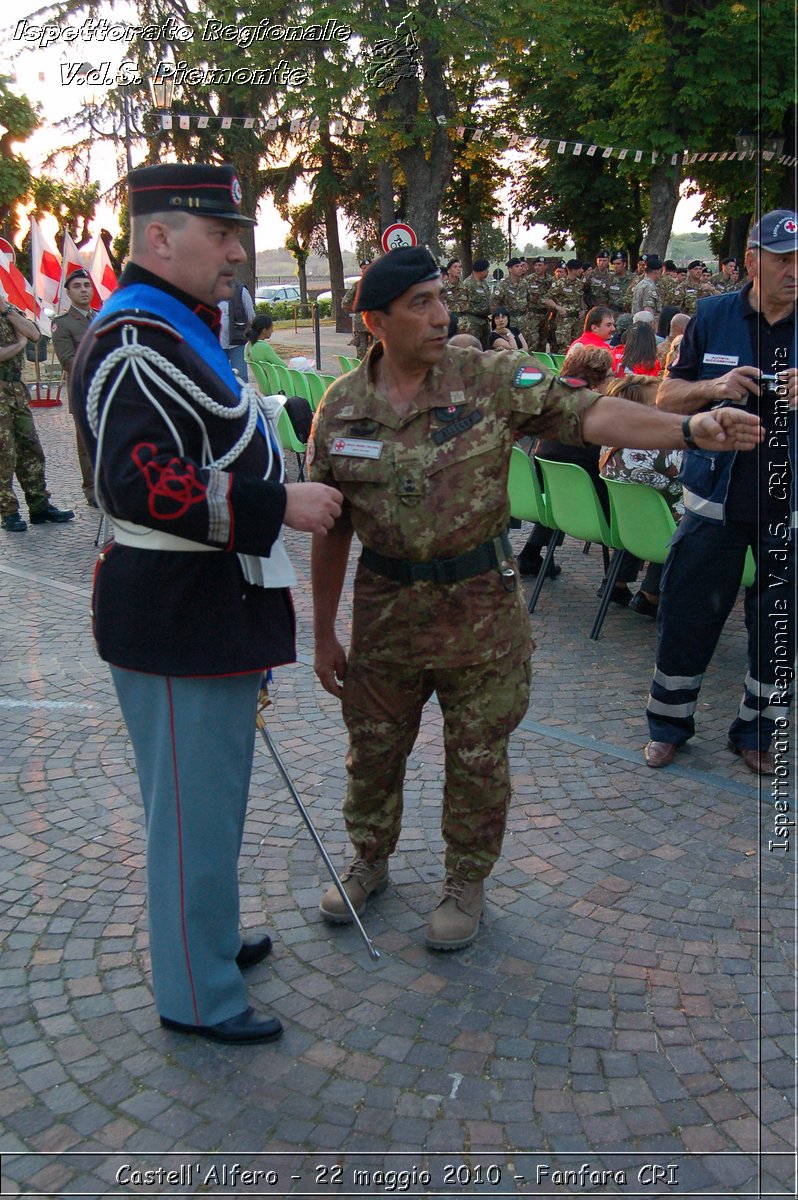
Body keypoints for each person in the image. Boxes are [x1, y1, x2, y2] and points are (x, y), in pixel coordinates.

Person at [306, 246, 761, 951]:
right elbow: (330, 523)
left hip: (479, 609)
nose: (439, 313)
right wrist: (325, 631)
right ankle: (370, 859)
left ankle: (466, 882)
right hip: (386, 609)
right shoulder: (341, 408)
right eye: (419, 303)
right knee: (372, 749)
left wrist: (689, 428)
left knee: (478, 755)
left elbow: (592, 417)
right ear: (374, 321)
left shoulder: (488, 378)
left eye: (438, 296)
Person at [70, 163, 342, 1044]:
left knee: (211, 799)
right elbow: (142, 485)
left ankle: (210, 944)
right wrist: (280, 505)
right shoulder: (136, 341)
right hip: (176, 612)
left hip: (202, 607)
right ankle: (197, 995)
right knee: (190, 812)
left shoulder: (177, 327)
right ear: (158, 237)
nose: (237, 250)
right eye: (220, 233)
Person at [644, 209, 797, 776]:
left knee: (780, 630)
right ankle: (668, 725)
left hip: (788, 511)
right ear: (753, 262)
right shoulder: (711, 315)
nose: (794, 270)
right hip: (715, 503)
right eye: (783, 259)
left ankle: (756, 733)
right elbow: (665, 397)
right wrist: (715, 386)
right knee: (687, 616)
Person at [600, 374, 682, 616]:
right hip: (665, 530)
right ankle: (651, 594)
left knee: (652, 508)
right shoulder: (661, 450)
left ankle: (617, 581)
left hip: (629, 528)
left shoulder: (609, 441)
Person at [0, 290, 74, 532]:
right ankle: (8, 512)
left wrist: (7, 311)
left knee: (31, 448)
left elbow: (33, 334)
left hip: (17, 390)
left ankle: (39, 506)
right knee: (4, 454)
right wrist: (19, 343)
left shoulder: (10, 311)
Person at [51, 268, 97, 506]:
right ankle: (92, 490)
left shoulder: (101, 317)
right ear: (68, 292)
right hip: (84, 391)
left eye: (86, 285)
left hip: (109, 391)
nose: (83, 290)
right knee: (87, 443)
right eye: (77, 286)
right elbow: (68, 361)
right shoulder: (63, 323)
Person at [218, 277, 255, 379]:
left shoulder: (241, 291)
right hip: (216, 343)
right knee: (219, 378)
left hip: (237, 343)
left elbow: (251, 316)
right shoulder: (209, 290)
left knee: (240, 378)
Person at [455, 258, 492, 345]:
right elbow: (462, 304)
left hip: (484, 322)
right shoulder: (467, 284)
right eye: (486, 269)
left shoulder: (484, 284)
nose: (487, 271)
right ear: (481, 270)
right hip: (472, 324)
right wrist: (478, 310)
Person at [342, 260, 373, 359]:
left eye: (367, 268)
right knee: (374, 353)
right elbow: (345, 303)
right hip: (374, 322)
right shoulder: (380, 284)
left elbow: (345, 303)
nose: (365, 270)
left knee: (363, 354)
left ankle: (364, 373)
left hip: (364, 322)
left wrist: (357, 308)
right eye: (363, 268)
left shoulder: (357, 285)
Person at [631, 254, 663, 320]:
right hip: (645, 325)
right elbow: (648, 311)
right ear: (655, 272)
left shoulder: (641, 284)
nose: (661, 274)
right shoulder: (649, 287)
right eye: (661, 271)